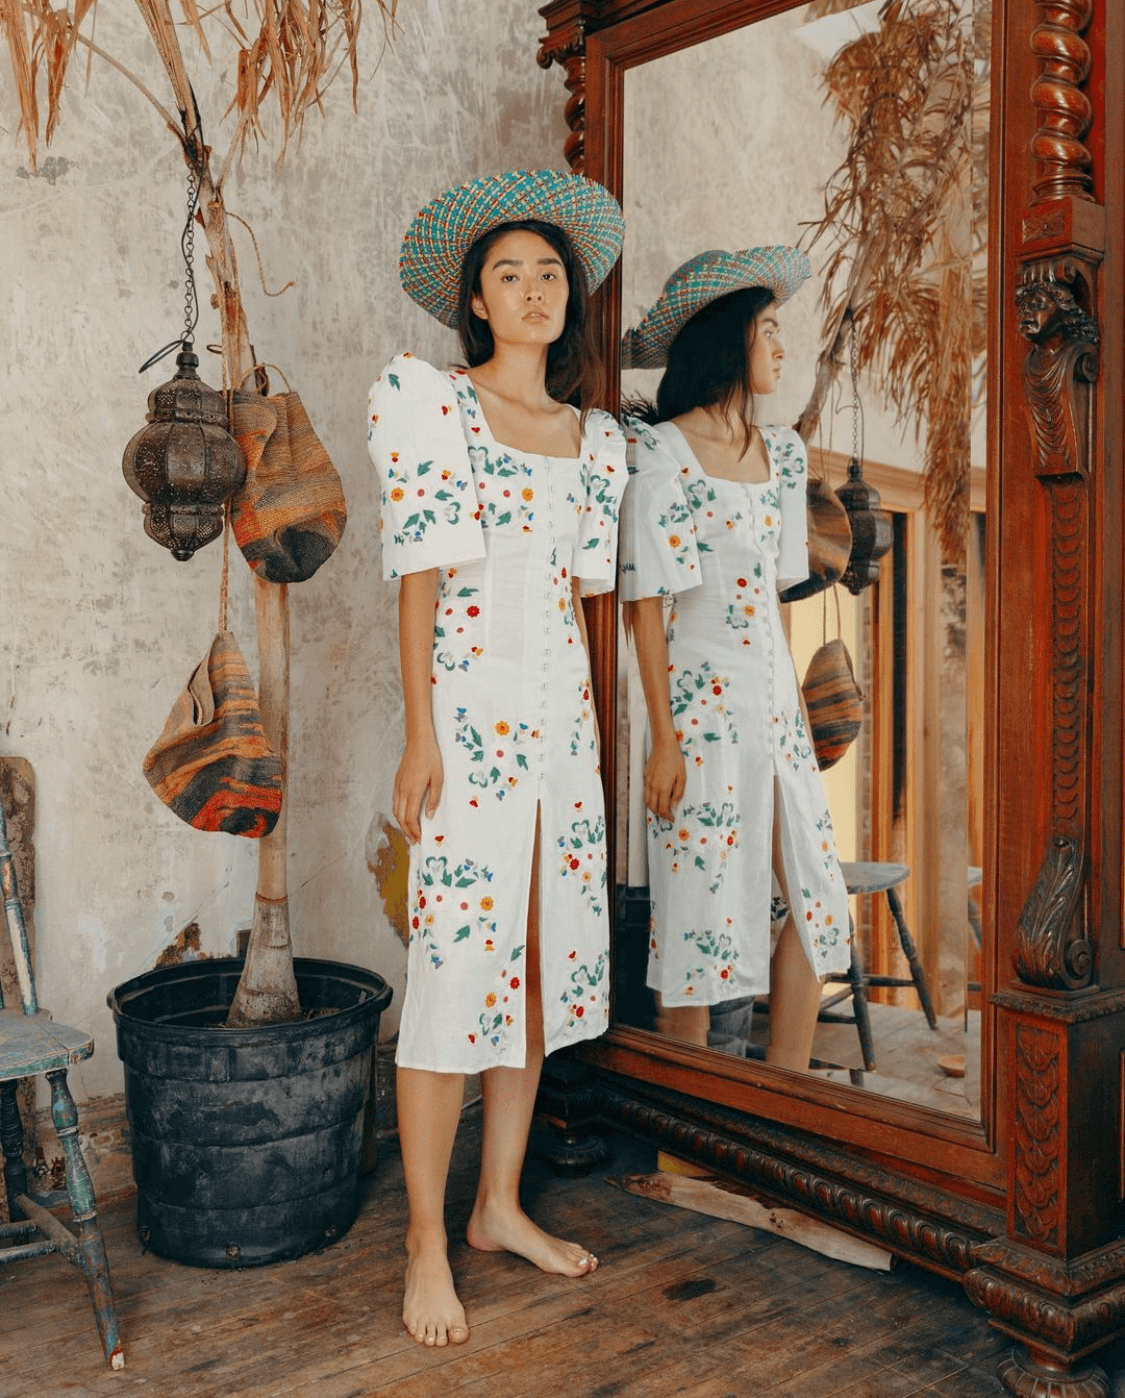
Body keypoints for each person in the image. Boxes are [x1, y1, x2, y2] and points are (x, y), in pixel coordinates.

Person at [366, 169, 626, 1349]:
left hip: (560, 732)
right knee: (454, 978)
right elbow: (420, 584)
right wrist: (420, 731)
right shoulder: (435, 406)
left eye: (550, 273)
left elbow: (578, 606)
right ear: (475, 299)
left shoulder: (596, 440)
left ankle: (496, 1207)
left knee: (533, 964)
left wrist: (592, 755)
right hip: (466, 723)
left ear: (570, 299)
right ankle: (427, 1238)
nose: (533, 290)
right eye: (509, 275)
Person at [619, 247, 851, 1070]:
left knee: (814, 901)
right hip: (696, 703)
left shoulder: (783, 452)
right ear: (726, 341)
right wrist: (663, 737)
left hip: (772, 703)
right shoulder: (659, 453)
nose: (782, 348)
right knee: (698, 913)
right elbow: (644, 605)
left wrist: (788, 716)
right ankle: (684, 1140)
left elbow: (773, 593)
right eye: (769, 330)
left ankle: (784, 1102)